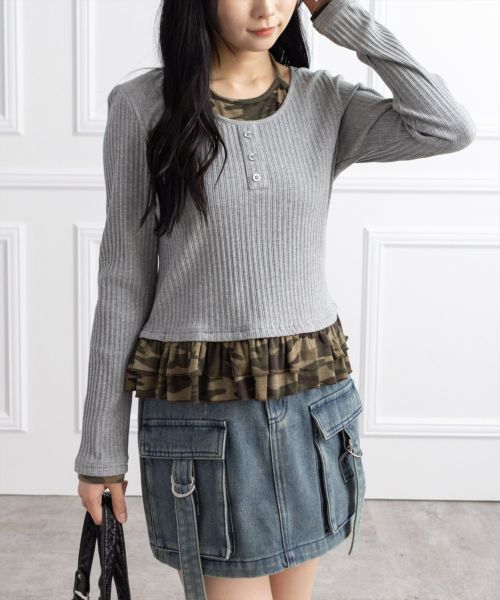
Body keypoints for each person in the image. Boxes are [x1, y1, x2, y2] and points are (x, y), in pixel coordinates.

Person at [75, 1, 476, 598]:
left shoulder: (325, 101)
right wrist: (100, 451)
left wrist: (337, 13)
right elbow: (123, 283)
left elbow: (447, 126)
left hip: (311, 407)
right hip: (202, 420)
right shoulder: (143, 107)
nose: (268, 8)